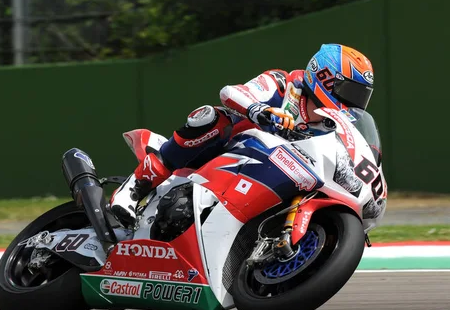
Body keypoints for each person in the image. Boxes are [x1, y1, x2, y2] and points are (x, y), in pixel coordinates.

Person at [110, 43, 375, 228]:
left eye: (361, 97)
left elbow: (351, 167)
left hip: (271, 182)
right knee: (212, 117)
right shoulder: (283, 84)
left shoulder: (334, 128)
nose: (355, 103)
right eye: (351, 92)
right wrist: (261, 110)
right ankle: (134, 189)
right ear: (325, 77)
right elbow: (230, 92)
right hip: (224, 157)